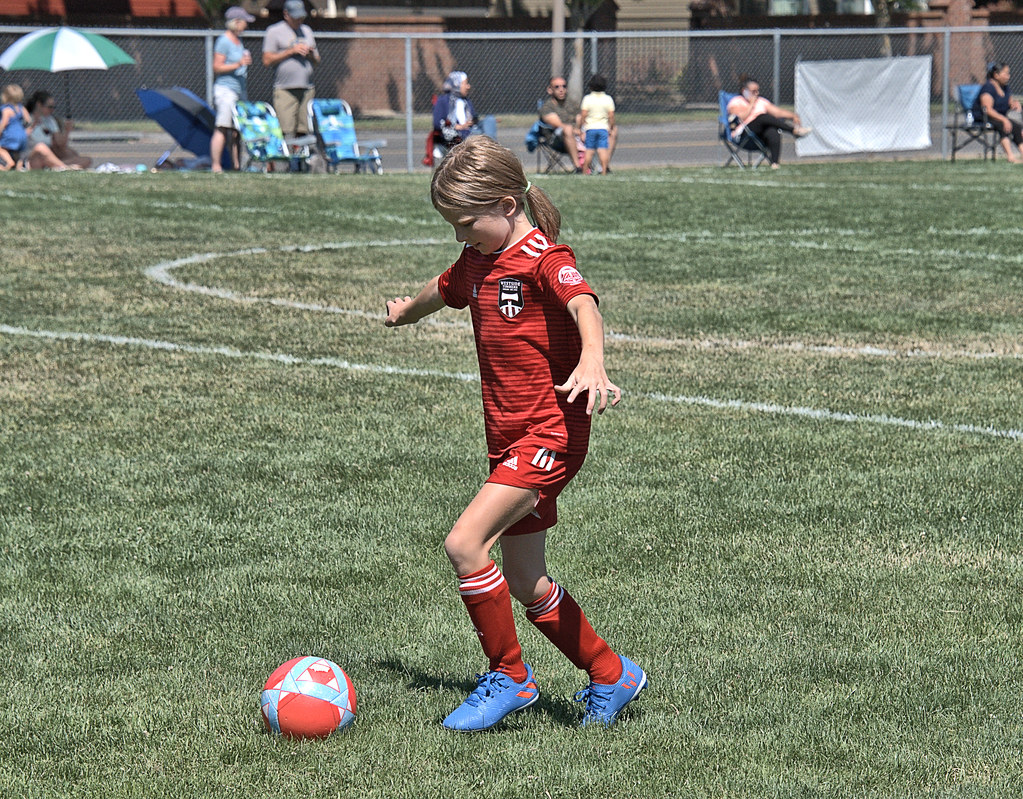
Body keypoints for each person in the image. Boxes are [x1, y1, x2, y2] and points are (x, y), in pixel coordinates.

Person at [384, 135, 646, 732]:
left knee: (464, 544)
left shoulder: (542, 257)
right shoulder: (480, 259)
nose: (459, 236)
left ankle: (510, 677)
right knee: (527, 581)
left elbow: (584, 303)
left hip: (549, 435)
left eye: (465, 222)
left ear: (507, 204)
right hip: (508, 439)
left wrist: (594, 360)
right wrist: (406, 312)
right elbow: (445, 289)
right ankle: (613, 673)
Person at [262, 0, 319, 140]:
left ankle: (301, 161)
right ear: (286, 14)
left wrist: (310, 53)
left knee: (304, 131)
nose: (299, 20)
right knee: (285, 131)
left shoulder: (307, 31)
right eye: (296, 17)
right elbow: (267, 60)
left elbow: (317, 60)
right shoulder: (274, 31)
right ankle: (286, 161)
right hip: (285, 89)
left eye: (301, 17)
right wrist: (291, 51)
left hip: (307, 89)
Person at [726, 75, 811, 169]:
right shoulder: (736, 102)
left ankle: (775, 163)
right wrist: (751, 104)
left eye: (757, 91)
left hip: (759, 137)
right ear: (744, 91)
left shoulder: (761, 101)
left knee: (772, 130)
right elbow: (740, 118)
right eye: (753, 91)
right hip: (743, 135)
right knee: (763, 117)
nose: (756, 94)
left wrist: (793, 115)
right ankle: (792, 130)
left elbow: (778, 113)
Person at [210, 6, 255, 173]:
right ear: (235, 22)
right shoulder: (224, 41)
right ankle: (216, 166)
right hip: (225, 90)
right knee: (222, 127)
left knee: (237, 131)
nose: (246, 26)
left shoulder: (239, 41)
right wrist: (238, 64)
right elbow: (217, 67)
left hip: (239, 90)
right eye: (244, 22)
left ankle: (237, 165)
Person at [26, 91, 92, 169]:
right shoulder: (27, 119)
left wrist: (67, 131)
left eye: (54, 107)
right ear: (39, 105)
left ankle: (58, 167)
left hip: (50, 154)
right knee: (41, 147)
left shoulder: (50, 120)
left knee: (82, 158)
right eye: (49, 107)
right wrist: (33, 125)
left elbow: (60, 143)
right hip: (33, 156)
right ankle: (64, 167)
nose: (52, 110)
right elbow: (21, 138)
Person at [973, 62, 1023, 163]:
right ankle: (1010, 157)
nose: (1008, 76)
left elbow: (1009, 102)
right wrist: (1004, 119)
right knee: (1003, 126)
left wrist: (1014, 104)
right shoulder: (988, 88)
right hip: (985, 117)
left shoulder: (1005, 87)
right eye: (1005, 73)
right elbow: (987, 109)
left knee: (1017, 127)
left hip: (998, 117)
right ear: (996, 75)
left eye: (1008, 74)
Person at [428, 70, 478, 164]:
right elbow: (437, 123)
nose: (468, 86)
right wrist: (457, 126)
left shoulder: (466, 101)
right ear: (457, 84)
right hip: (451, 135)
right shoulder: (443, 101)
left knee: (489, 121)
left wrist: (472, 121)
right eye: (465, 83)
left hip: (469, 131)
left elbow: (473, 117)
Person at [538, 75, 582, 171]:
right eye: (557, 87)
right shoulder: (547, 107)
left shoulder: (572, 104)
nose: (561, 89)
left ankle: (603, 168)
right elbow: (558, 124)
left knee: (609, 130)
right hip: (556, 140)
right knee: (567, 129)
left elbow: (581, 118)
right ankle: (578, 167)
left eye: (564, 86)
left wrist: (581, 130)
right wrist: (576, 131)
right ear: (550, 90)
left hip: (578, 136)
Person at [578, 74, 617, 175]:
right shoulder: (608, 99)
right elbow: (611, 116)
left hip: (590, 128)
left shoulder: (587, 99)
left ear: (591, 86)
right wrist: (611, 127)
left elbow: (583, 115)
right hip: (603, 128)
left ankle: (585, 171)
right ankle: (604, 171)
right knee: (602, 150)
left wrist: (582, 127)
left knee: (589, 151)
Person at [0, 83, 31, 171]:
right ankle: (20, 166)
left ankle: (9, 162)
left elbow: (4, 123)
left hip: (11, 135)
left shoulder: (6, 109)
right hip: (22, 135)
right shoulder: (21, 108)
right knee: (19, 152)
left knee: (1, 149)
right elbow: (28, 120)